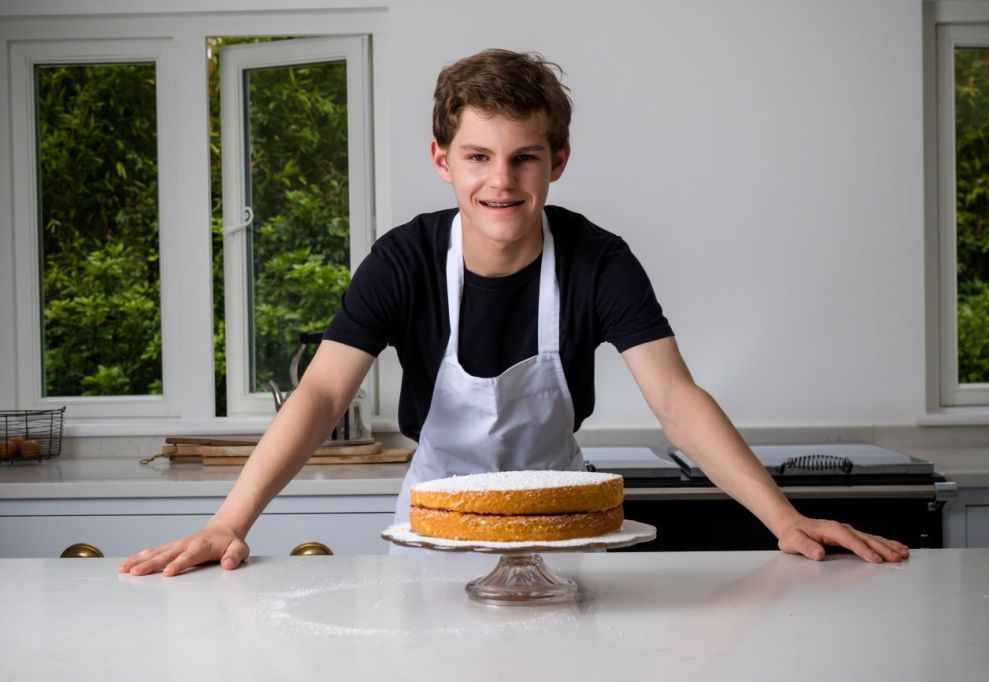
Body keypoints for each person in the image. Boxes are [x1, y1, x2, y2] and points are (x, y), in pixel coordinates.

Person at [119, 49, 909, 577]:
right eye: (478, 156)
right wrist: (230, 520)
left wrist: (783, 519)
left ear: (557, 160)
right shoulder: (405, 261)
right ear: (442, 160)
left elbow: (676, 400)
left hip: (561, 524)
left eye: (525, 156)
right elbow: (323, 395)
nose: (502, 180)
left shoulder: (599, 260)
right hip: (433, 525)